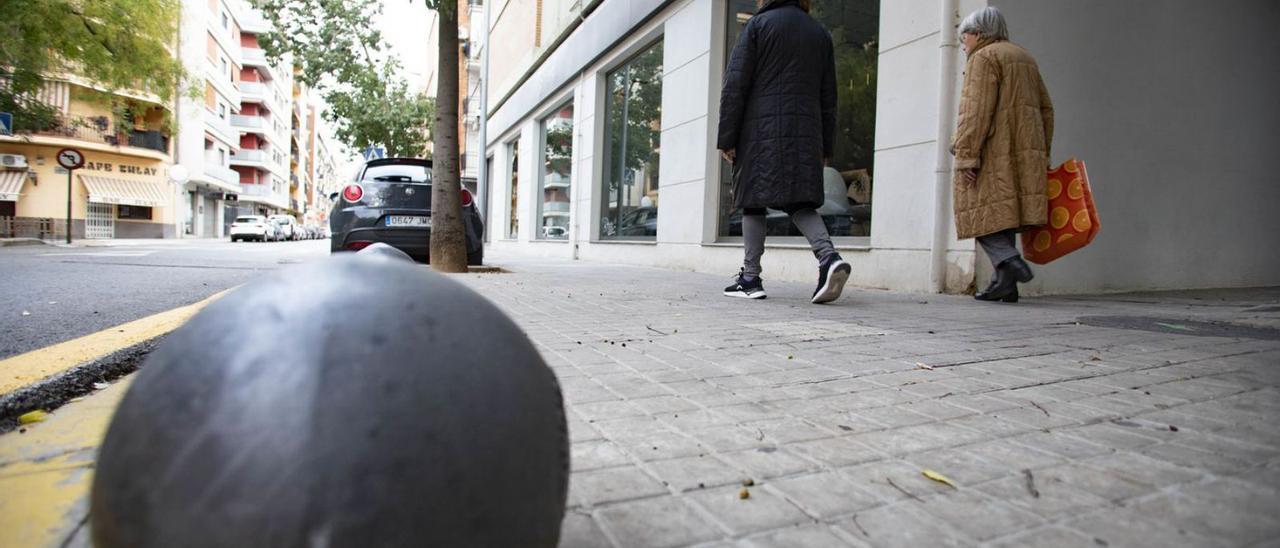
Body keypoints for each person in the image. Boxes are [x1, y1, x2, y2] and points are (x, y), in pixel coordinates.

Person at [717, 0, 850, 304]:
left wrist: (727, 136)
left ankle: (751, 278)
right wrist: (825, 146)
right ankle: (828, 257)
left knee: (752, 200)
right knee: (799, 200)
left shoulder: (757, 26)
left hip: (759, 132)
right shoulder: (819, 33)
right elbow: (829, 96)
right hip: (806, 132)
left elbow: (735, 85)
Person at [952, 7, 1054, 303]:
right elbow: (1047, 110)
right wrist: (1041, 152)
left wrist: (966, 154)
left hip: (992, 151)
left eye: (965, 37)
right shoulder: (1024, 57)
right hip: (1024, 152)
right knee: (1002, 214)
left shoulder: (983, 57)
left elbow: (975, 111)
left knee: (973, 211)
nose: (963, 44)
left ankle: (1010, 260)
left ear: (979, 34)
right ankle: (1005, 285)